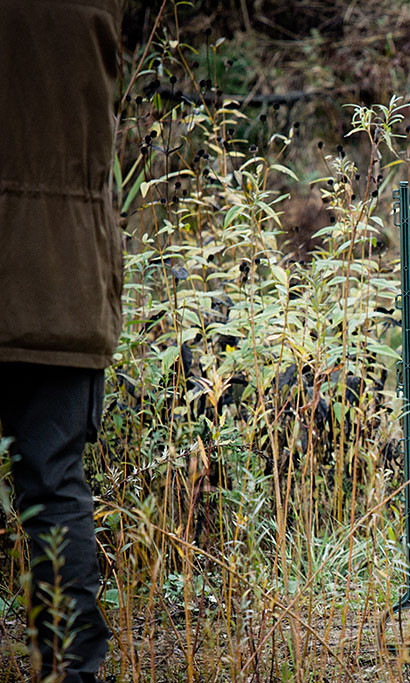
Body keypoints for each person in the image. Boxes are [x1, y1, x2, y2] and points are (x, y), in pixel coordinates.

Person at [0, 1, 123, 680]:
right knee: (55, 488)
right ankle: (72, 671)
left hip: (62, 273)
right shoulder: (92, 9)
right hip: (66, 275)